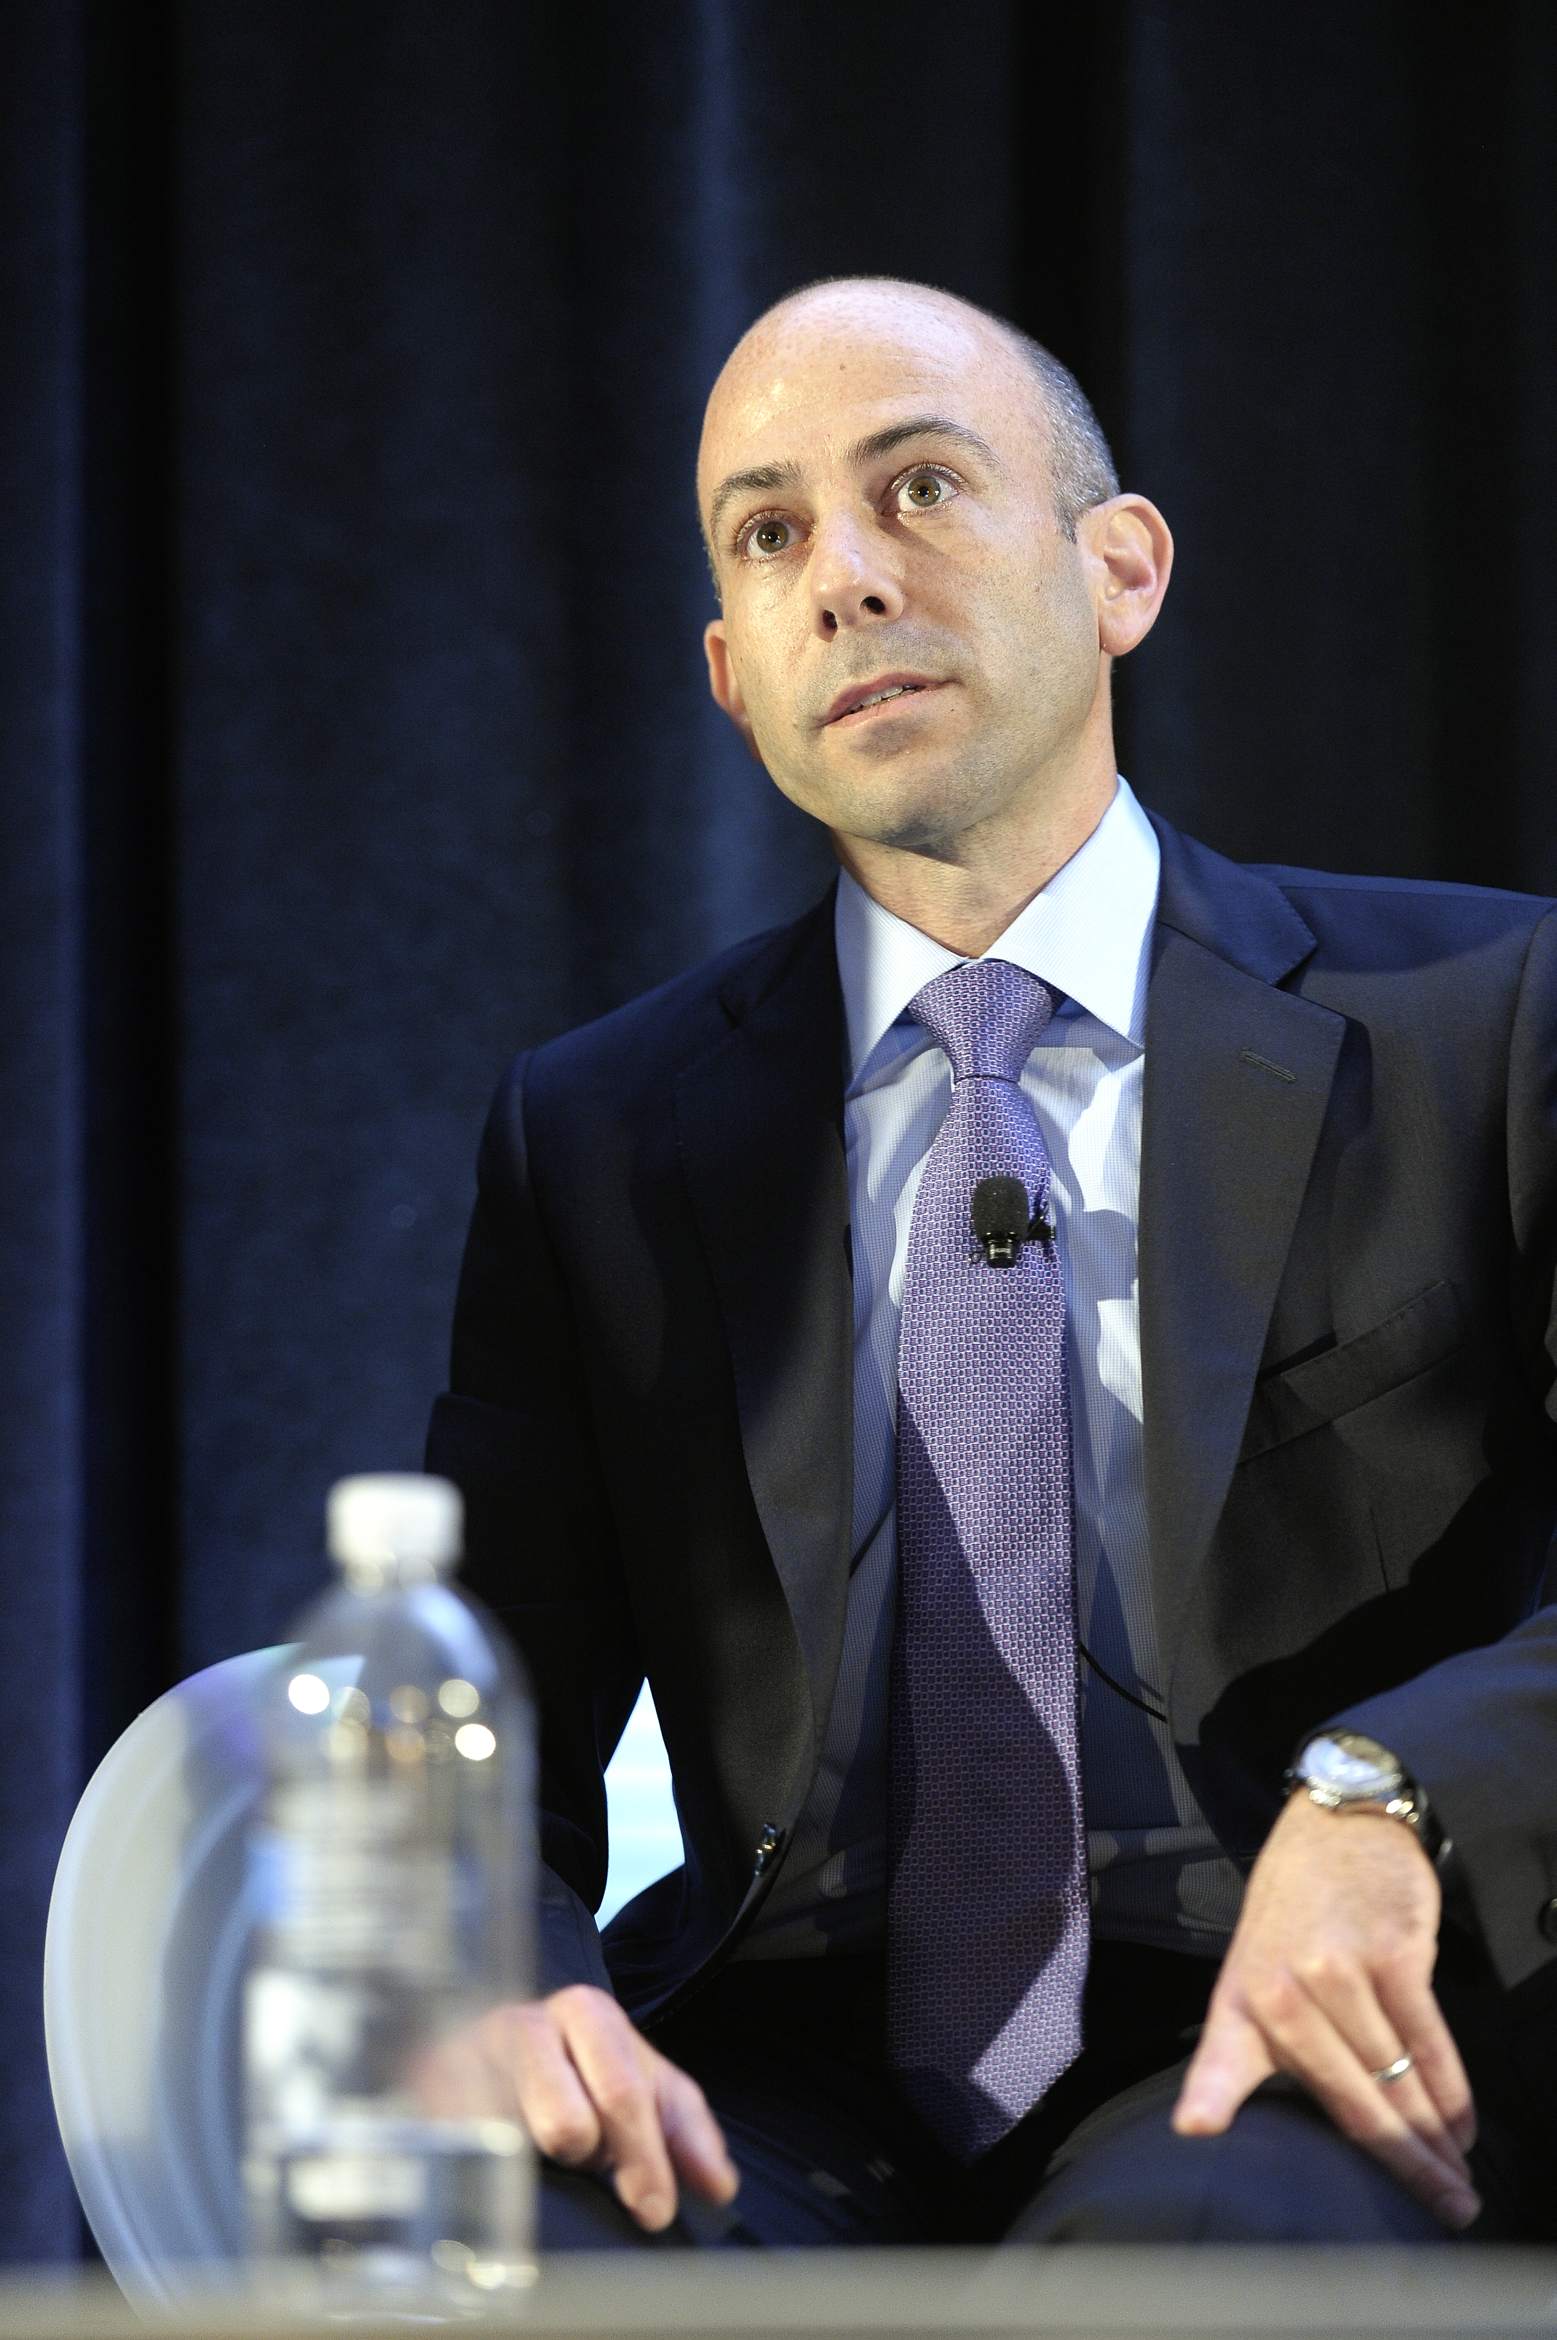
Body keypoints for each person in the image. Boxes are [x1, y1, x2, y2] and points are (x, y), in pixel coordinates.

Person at [425, 276, 1557, 2249]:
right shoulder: (597, 1134)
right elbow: (480, 1700)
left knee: (1188, 2270)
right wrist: (509, 1976)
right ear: (730, 674)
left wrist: (1392, 1789)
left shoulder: (1483, 1015)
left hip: (1288, 2032)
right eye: (768, 535)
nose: (845, 578)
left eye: (920, 490)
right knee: (479, 2243)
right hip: (775, 2068)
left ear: (1119, 570)